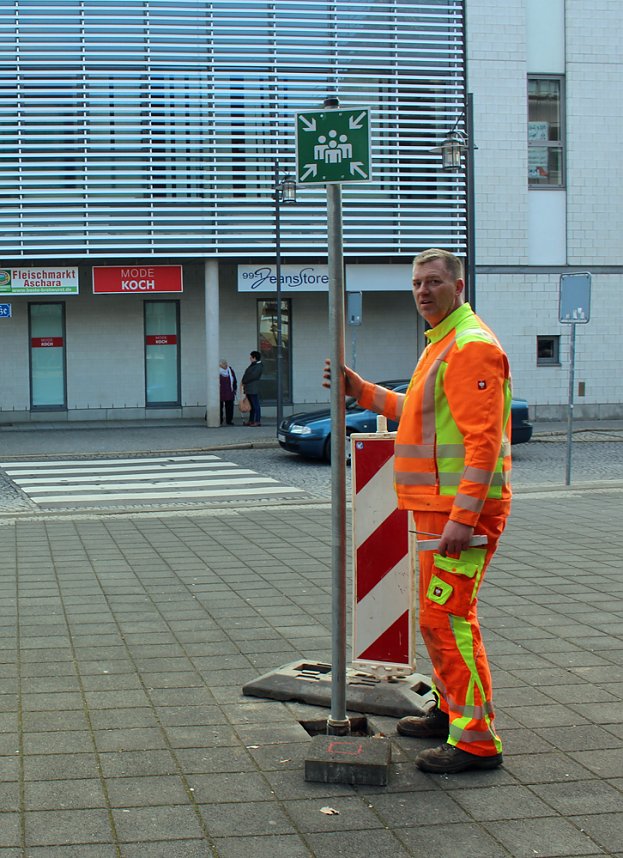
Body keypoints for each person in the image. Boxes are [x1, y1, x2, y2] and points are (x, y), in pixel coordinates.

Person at [324, 248, 512, 774]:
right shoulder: (443, 344)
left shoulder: (470, 346)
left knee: (446, 619)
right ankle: (451, 713)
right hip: (440, 509)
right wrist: (364, 392)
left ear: (458, 285)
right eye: (416, 284)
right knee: (439, 620)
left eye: (433, 282)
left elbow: (482, 444)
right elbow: (418, 414)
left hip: (460, 514)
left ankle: (476, 742)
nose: (423, 292)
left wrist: (463, 519)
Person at [241, 350, 263, 426]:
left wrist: (244, 380)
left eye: (251, 357)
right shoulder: (254, 365)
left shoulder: (258, 366)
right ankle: (251, 420)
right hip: (249, 388)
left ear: (254, 358)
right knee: (252, 406)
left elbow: (253, 376)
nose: (250, 358)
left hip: (253, 388)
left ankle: (257, 421)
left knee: (256, 405)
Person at [219, 359, 237, 426]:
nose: (226, 365)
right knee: (219, 407)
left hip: (229, 391)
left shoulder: (230, 370)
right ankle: (219, 420)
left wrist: (234, 388)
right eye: (224, 363)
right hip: (220, 392)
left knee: (229, 407)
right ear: (220, 365)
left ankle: (229, 420)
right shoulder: (217, 371)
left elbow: (234, 380)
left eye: (226, 363)